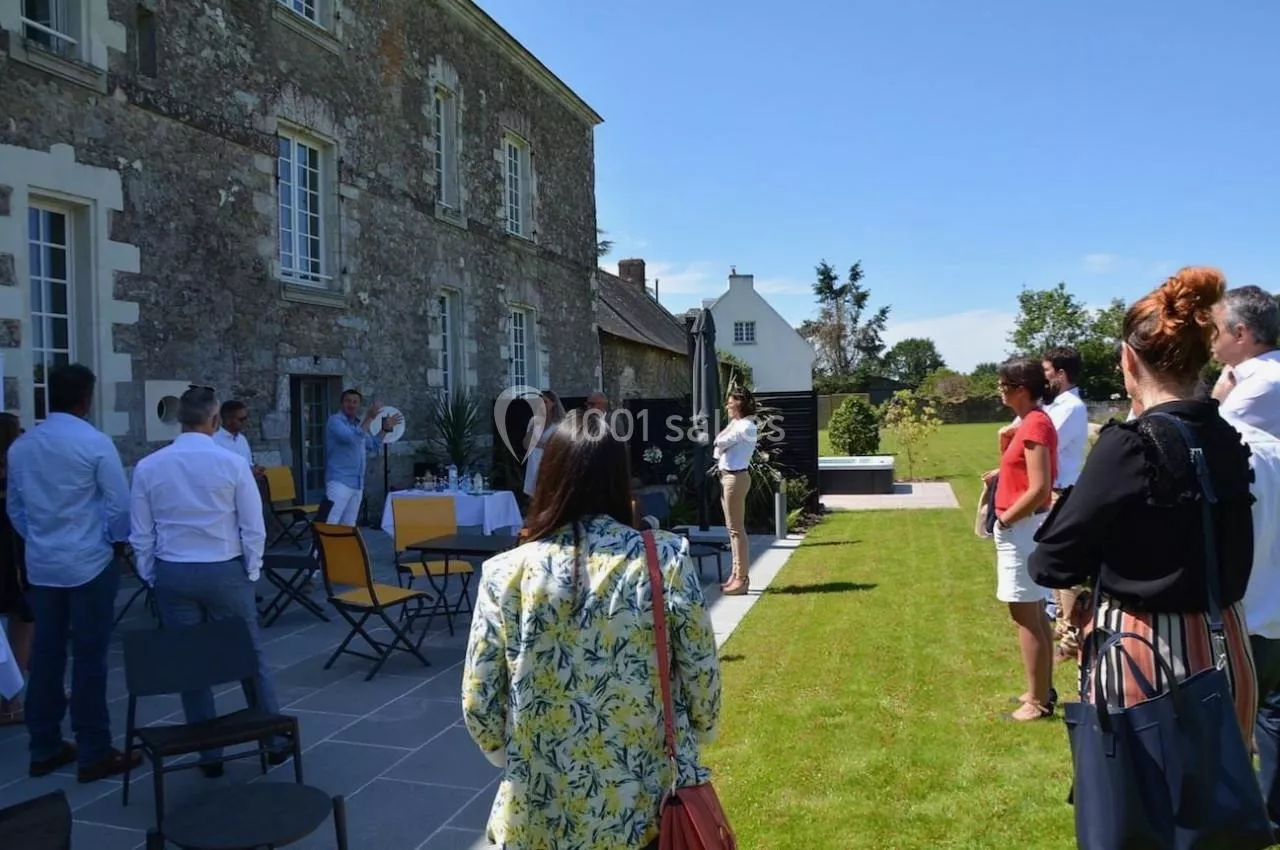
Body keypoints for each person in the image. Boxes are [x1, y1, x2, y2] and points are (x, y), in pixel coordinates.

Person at [462, 409, 721, 850]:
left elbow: (479, 697)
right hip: (643, 803)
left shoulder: (506, 572)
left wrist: (504, 752)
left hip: (540, 806)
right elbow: (701, 670)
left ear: (550, 475)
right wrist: (703, 727)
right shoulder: (663, 559)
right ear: (619, 478)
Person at [1029, 267, 1258, 744]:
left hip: (1147, 656)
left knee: (1138, 791)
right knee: (1223, 787)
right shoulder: (1228, 437)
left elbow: (1051, 561)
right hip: (1228, 650)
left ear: (1128, 358)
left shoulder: (1132, 443)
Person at [130, 386, 286, 776]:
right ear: (215, 420)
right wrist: (251, 570)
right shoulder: (231, 463)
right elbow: (253, 525)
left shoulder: (149, 466)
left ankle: (209, 754)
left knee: (191, 664)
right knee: (249, 655)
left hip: (173, 570)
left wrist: (151, 573)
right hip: (223, 568)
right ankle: (272, 739)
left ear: (180, 419)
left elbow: (141, 533)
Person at [7, 364, 139, 781]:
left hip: (44, 564)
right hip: (89, 561)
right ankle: (94, 749)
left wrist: (40, 539)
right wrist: (114, 543)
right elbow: (119, 505)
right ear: (86, 399)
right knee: (89, 657)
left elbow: (16, 508)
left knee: (46, 655)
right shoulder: (95, 443)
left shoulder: (22, 447)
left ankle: (44, 745)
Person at [988, 357, 1058, 721]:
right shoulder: (1028, 424)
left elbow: (1040, 488)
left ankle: (1038, 701)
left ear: (1021, 389)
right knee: (1033, 611)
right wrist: (1004, 450)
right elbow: (1022, 475)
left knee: (1025, 614)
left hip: (1022, 529)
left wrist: (1005, 519)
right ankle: (1039, 689)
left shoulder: (1035, 425)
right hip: (1021, 528)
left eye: (1004, 385)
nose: (1000, 391)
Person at [1221, 409, 1280, 832]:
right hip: (1272, 618)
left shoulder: (1219, 450)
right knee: (1272, 719)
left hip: (1236, 623)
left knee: (1222, 739)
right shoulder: (1274, 450)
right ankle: (1269, 817)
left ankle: (1234, 825)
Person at [324, 389, 400, 526]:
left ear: (359, 405)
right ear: (341, 403)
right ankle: (320, 542)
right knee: (329, 524)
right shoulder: (335, 421)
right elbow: (352, 439)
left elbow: (373, 445)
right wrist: (369, 418)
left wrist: (384, 429)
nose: (351, 405)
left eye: (355, 402)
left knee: (348, 526)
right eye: (348, 401)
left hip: (357, 484)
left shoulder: (358, 425)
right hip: (339, 481)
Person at [1212, 284, 1280, 437]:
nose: (1209, 337)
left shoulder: (1260, 385)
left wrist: (1217, 397)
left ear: (1240, 334)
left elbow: (1206, 439)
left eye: (1214, 329)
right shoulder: (1268, 374)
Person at [0, 413, 31, 726]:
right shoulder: (18, 473)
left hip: (12, 553)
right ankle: (10, 702)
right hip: (12, 555)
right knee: (22, 625)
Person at [714, 387, 758, 596]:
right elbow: (718, 447)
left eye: (730, 403)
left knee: (736, 530)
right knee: (732, 530)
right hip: (728, 477)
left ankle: (742, 579)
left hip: (735, 478)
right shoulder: (737, 424)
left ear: (739, 404)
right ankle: (735, 574)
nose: (727, 407)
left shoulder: (746, 426)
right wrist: (727, 430)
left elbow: (719, 442)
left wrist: (723, 439)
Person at [522, 390, 565, 498]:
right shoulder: (533, 421)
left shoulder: (559, 424)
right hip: (533, 465)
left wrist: (536, 444)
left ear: (553, 403)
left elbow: (558, 447)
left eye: (545, 402)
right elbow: (526, 445)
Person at [213, 399, 265, 478]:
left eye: (246, 418)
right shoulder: (214, 440)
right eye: (241, 419)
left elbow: (248, 463)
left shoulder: (242, 439)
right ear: (228, 419)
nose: (245, 422)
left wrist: (255, 469)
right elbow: (217, 470)